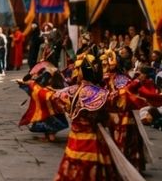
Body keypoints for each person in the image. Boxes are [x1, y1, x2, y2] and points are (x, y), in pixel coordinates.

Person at [18, 48, 149, 180]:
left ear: (82, 72)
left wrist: (32, 86)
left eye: (77, 68)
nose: (74, 71)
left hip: (75, 144)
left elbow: (49, 96)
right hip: (94, 142)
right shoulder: (99, 93)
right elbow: (116, 99)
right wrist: (136, 84)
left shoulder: (72, 91)